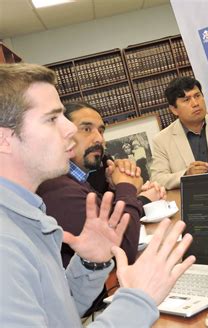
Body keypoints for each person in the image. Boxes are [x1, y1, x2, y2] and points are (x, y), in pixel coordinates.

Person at [0, 63, 195, 326]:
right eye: (52, 118)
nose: (69, 129)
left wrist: (90, 264)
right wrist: (138, 298)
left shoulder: (26, 212)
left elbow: (57, 313)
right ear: (4, 139)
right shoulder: (5, 244)